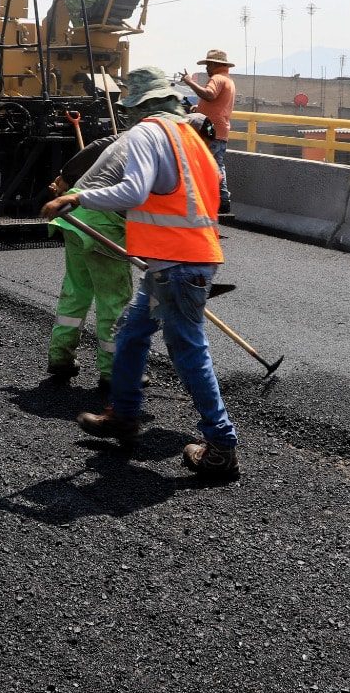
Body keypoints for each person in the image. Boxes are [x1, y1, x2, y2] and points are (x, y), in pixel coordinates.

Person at [41, 65, 240, 481]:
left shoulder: (149, 132)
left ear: (141, 105)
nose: (129, 116)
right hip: (174, 263)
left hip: (178, 266)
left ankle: (222, 445)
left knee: (188, 350)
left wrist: (76, 198)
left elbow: (133, 190)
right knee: (131, 336)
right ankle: (124, 416)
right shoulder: (193, 139)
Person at [45, 134, 130, 390]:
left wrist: (66, 176)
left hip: (75, 215)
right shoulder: (167, 146)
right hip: (104, 223)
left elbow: (95, 147)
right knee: (113, 299)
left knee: (76, 289)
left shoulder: (128, 136)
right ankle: (114, 371)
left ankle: (60, 356)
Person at [182, 49, 236, 213]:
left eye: (208, 64)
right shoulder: (228, 80)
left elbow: (210, 95)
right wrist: (196, 109)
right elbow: (216, 104)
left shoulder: (217, 78)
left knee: (205, 165)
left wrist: (189, 82)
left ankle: (209, 199)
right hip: (221, 130)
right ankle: (223, 199)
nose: (207, 68)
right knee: (218, 166)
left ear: (215, 64)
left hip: (210, 130)